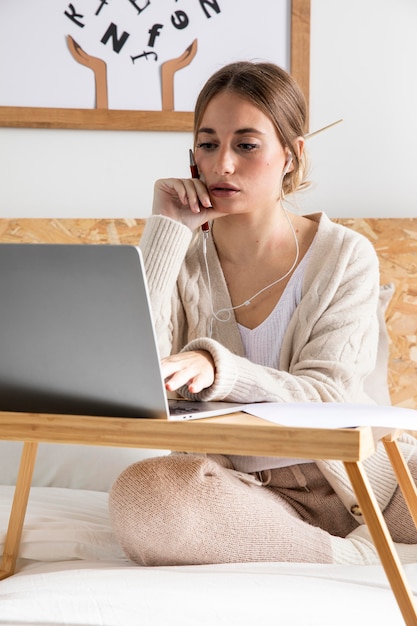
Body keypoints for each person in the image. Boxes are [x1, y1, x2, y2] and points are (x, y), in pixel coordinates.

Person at [109, 61, 417, 566]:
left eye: (246, 145)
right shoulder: (181, 256)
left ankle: (363, 540)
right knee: (145, 498)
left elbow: (331, 395)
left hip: (368, 487)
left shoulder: (344, 256)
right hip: (237, 493)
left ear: (292, 156)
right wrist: (167, 229)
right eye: (208, 144)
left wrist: (218, 369)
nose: (223, 164)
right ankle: (345, 559)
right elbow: (129, 371)